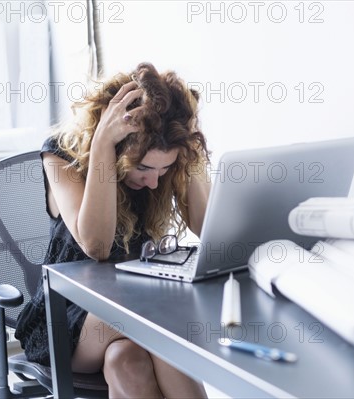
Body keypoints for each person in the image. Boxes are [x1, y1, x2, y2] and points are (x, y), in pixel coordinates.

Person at [15, 62, 211, 398]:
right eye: (144, 168)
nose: (153, 182)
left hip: (133, 307)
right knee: (159, 321)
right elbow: (97, 246)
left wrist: (189, 150)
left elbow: (207, 228)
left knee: (126, 361)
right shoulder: (60, 156)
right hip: (68, 317)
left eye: (163, 170)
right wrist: (103, 145)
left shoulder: (161, 170)